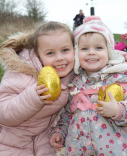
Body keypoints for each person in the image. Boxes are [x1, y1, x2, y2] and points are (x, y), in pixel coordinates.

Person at [50, 16, 127, 155]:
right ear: (76, 53)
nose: (91, 52)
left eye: (98, 47)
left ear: (109, 51)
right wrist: (60, 131)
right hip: (80, 149)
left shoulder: (119, 78)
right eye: (84, 48)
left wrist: (118, 110)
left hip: (118, 150)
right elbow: (68, 114)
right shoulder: (75, 83)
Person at [0, 21, 75, 155]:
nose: (59, 58)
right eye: (50, 53)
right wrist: (32, 98)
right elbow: (3, 114)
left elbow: (97, 60)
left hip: (44, 145)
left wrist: (117, 58)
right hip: (10, 144)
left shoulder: (70, 73)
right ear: (38, 55)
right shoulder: (20, 73)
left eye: (65, 50)